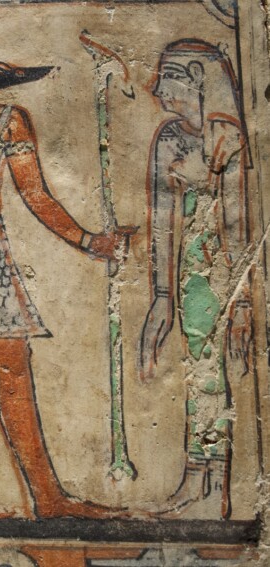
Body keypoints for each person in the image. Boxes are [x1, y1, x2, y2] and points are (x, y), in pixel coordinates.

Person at [0, 22, 135, 519]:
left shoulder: (10, 122)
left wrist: (89, 242)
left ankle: (47, 496)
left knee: (14, 373)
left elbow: (37, 196)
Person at [139, 39, 253, 519]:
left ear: (195, 79)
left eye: (166, 75)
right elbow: (161, 221)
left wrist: (242, 301)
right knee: (201, 372)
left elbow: (239, 224)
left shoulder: (227, 137)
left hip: (220, 268)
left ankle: (217, 483)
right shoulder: (169, 137)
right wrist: (163, 296)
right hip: (191, 268)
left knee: (215, 374)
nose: (155, 87)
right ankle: (198, 479)